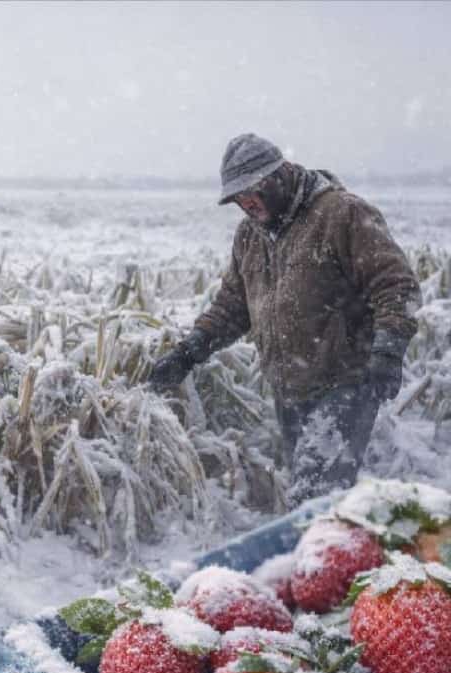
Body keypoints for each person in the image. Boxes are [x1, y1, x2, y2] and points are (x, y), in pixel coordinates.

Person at [147, 133, 419, 507]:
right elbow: (232, 307)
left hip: (346, 383)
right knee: (317, 502)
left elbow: (396, 285)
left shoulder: (343, 214)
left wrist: (388, 353)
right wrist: (188, 352)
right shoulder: (250, 236)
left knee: (314, 499)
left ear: (280, 175)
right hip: (289, 390)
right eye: (238, 197)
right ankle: (341, 556)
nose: (246, 202)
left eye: (252, 190)